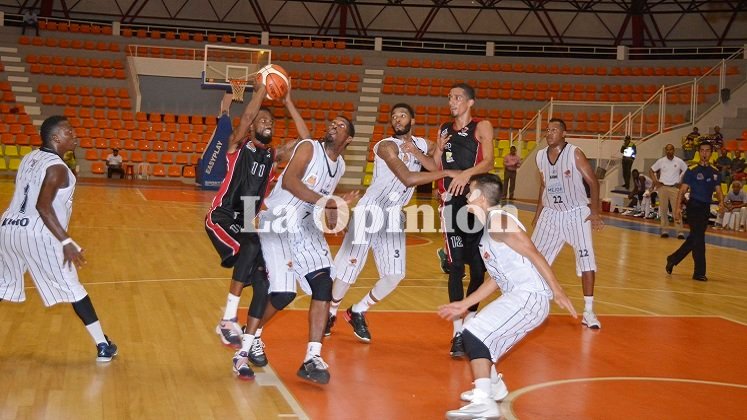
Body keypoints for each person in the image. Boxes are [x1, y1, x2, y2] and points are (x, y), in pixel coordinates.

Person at [438, 174, 577, 419]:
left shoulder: (500, 221)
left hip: (529, 297)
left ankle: (484, 402)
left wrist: (558, 290)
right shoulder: (490, 227)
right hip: (519, 296)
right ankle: (493, 386)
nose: (467, 197)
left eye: (470, 193)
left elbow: (533, 252)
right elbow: (495, 279)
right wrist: (464, 304)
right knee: (475, 332)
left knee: (473, 335)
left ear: (481, 197)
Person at [326, 103, 457, 342]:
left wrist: (433, 150)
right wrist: (446, 174)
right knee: (349, 269)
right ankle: (331, 311)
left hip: (394, 215)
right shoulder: (385, 146)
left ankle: (357, 310)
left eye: (403, 115)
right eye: (394, 116)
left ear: (413, 120)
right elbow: (407, 178)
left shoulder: (421, 144)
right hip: (370, 210)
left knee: (395, 275)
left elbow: (433, 164)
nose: (397, 119)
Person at [205, 85, 303, 380]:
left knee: (265, 286)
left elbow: (305, 142)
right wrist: (264, 85)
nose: (266, 124)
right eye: (262, 121)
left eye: (270, 122)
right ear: (251, 129)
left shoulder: (272, 157)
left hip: (247, 223)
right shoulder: (238, 147)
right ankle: (227, 320)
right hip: (222, 217)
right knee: (251, 244)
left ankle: (243, 353)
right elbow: (246, 116)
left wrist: (288, 103)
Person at [0, 116, 118, 362]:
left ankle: (103, 343)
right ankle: (102, 345)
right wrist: (66, 241)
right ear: (55, 138)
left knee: (3, 284)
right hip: (38, 233)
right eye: (68, 131)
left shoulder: (30, 157)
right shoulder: (57, 168)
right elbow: (43, 207)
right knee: (74, 288)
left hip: (9, 228)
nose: (74, 135)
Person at [256, 115, 358, 385]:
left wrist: (337, 216)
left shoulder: (340, 166)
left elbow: (320, 207)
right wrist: (330, 201)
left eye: (340, 126)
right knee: (283, 294)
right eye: (331, 124)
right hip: (277, 222)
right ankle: (251, 333)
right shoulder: (309, 148)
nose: (332, 127)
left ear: (348, 139)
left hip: (303, 227)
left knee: (324, 284)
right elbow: (290, 182)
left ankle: (312, 358)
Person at [432, 83, 495, 357]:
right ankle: (458, 333)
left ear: (470, 102)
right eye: (449, 97)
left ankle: (469, 321)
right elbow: (436, 164)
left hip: (475, 202)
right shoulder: (444, 129)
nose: (451, 101)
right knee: (457, 266)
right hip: (450, 204)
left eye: (457, 97)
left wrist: (464, 174)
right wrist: (436, 149)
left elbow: (490, 162)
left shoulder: (483, 126)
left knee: (479, 270)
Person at [531, 118, 604, 329]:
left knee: (586, 260)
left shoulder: (575, 153)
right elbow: (544, 186)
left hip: (576, 214)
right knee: (533, 259)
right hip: (551, 214)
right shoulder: (539, 156)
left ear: (564, 134)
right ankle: (534, 304)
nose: (549, 133)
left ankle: (588, 311)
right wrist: (538, 212)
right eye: (547, 130)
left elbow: (593, 181)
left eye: (554, 130)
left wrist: (595, 211)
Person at [666, 141, 724, 281]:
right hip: (693, 207)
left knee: (694, 238)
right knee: (699, 239)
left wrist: (721, 202)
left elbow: (718, 191)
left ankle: (673, 258)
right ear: (699, 153)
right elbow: (682, 190)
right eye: (702, 151)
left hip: (705, 208)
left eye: (707, 151)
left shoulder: (715, 172)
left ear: (711, 153)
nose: (705, 153)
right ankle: (699, 272)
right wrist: (678, 208)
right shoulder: (692, 170)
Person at [650, 144, 688, 238]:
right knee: (663, 210)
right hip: (663, 187)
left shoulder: (679, 161)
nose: (668, 151)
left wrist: (682, 182)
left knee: (676, 210)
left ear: (674, 150)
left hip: (674, 188)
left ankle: (680, 232)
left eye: (670, 149)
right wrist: (655, 181)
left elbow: (688, 171)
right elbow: (651, 170)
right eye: (667, 149)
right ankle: (664, 230)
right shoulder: (661, 161)